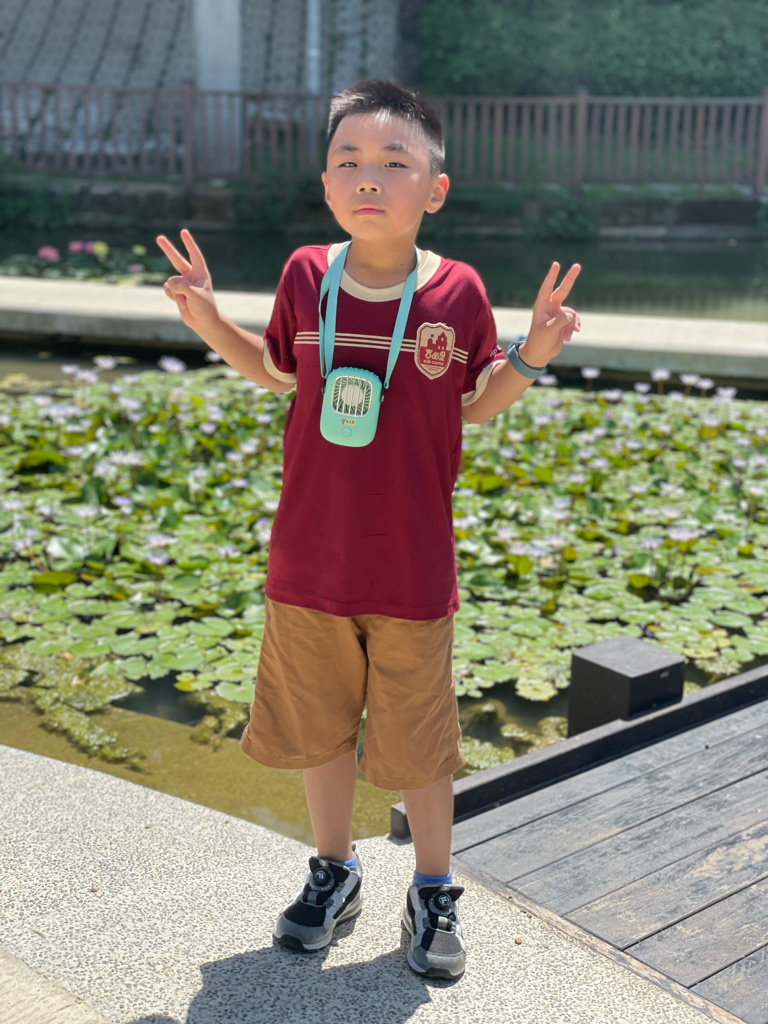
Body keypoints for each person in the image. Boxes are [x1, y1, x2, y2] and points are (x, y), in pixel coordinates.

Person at [157, 78, 581, 981]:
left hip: (412, 569)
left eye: (395, 161)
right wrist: (208, 318)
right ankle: (334, 871)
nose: (369, 177)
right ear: (325, 184)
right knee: (318, 732)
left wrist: (533, 352)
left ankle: (432, 888)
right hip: (308, 560)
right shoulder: (306, 275)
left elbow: (475, 403)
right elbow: (276, 372)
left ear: (436, 188)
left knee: (420, 744)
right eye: (348, 160)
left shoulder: (457, 290)